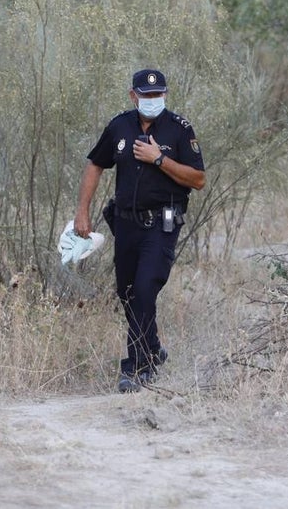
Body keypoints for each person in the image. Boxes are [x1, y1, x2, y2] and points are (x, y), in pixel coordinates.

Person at [73, 69, 207, 393]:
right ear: (133, 96)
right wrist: (82, 211)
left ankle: (138, 368)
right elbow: (96, 163)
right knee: (129, 293)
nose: (152, 100)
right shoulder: (119, 125)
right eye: (146, 96)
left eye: (157, 95)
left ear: (165, 94)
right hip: (126, 224)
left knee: (146, 288)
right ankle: (154, 347)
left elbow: (198, 179)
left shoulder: (179, 129)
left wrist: (159, 158)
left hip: (161, 225)